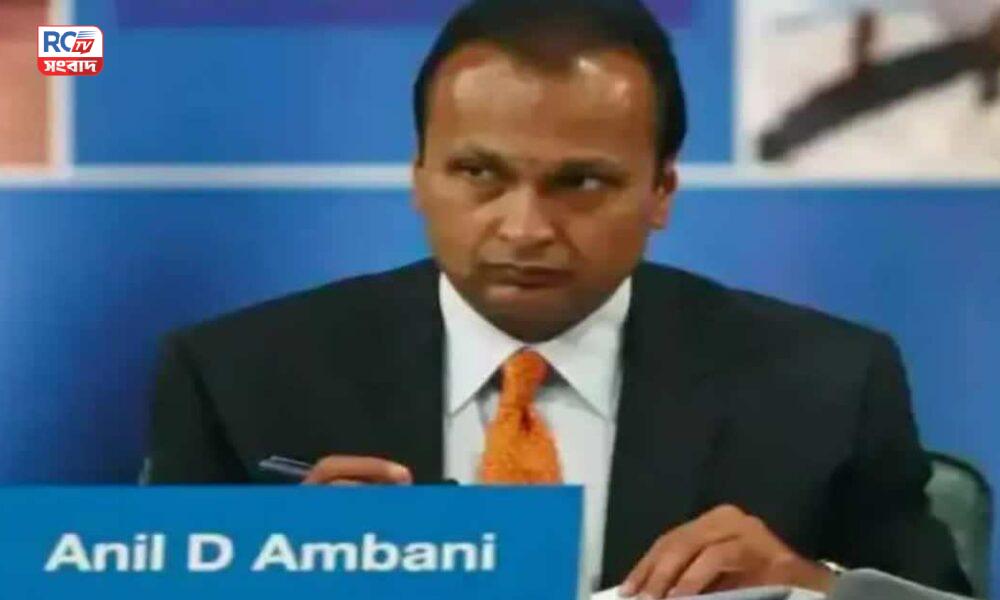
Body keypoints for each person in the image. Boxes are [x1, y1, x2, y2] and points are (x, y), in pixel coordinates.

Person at [146, 0, 972, 597]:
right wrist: (281, 574)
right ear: (419, 176)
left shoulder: (827, 383)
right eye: (479, 173)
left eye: (580, 182)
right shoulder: (239, 378)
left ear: (661, 191)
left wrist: (809, 586)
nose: (525, 228)